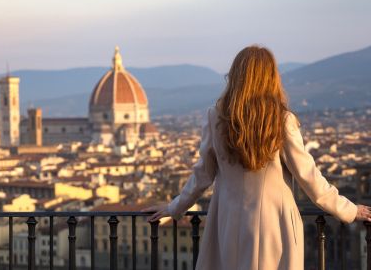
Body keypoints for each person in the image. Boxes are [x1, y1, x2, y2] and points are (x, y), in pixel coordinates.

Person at [142, 46, 371, 270]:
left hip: (228, 222)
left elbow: (202, 176)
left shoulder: (217, 119)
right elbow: (309, 177)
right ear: (271, 78)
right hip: (275, 223)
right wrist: (348, 210)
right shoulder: (282, 121)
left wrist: (174, 207)